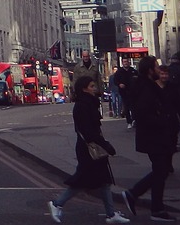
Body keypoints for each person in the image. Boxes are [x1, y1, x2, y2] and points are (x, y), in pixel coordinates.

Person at [48, 76, 128, 224]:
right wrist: (106, 145)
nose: (94, 88)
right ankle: (57, 204)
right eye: (91, 86)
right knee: (82, 181)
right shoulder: (82, 106)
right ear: (84, 88)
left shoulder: (90, 103)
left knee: (104, 181)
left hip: (93, 147)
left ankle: (111, 214)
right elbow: (88, 131)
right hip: (88, 149)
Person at [121, 58, 179, 222]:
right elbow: (143, 115)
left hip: (156, 136)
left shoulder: (148, 85)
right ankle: (135, 195)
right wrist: (164, 120)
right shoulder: (145, 88)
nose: (159, 71)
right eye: (156, 67)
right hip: (153, 136)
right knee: (161, 170)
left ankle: (156, 208)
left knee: (161, 171)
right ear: (149, 70)